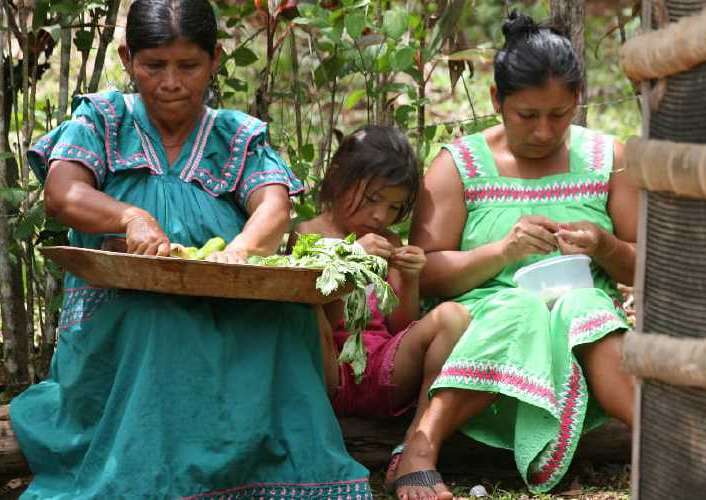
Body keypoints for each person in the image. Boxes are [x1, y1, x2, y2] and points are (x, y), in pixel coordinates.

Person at [9, 1, 371, 497]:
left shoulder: (236, 135)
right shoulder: (102, 120)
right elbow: (63, 193)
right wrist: (130, 217)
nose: (171, 82)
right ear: (127, 57)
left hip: (230, 300)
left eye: (188, 66)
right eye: (153, 65)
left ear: (216, 59)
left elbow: (274, 204)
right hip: (122, 309)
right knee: (161, 324)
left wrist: (241, 251)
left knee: (284, 324)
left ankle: (270, 482)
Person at [387, 11, 638, 499]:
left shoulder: (609, 158)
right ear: (496, 100)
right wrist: (503, 251)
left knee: (585, 308)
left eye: (560, 115)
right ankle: (419, 449)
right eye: (528, 116)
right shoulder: (459, 165)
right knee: (519, 309)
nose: (544, 131)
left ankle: (659, 442)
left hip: (583, 348)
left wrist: (604, 247)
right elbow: (427, 274)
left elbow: (650, 267)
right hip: (486, 341)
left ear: (577, 101)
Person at [293, 125, 470, 479]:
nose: (380, 217)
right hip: (329, 371)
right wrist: (349, 258)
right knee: (306, 311)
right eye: (372, 199)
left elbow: (399, 328)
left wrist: (410, 277)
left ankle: (416, 438)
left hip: (383, 371)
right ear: (338, 178)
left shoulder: (386, 239)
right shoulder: (306, 233)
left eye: (393, 207)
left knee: (453, 317)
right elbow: (310, 302)